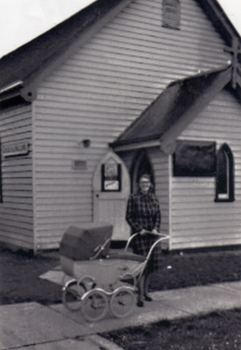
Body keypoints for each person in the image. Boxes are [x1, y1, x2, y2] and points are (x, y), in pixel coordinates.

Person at [126, 173, 161, 307]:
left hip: (152, 236)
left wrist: (155, 228)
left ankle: (146, 292)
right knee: (141, 266)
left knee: (151, 265)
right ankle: (139, 295)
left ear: (150, 184)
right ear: (138, 185)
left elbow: (157, 215)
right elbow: (129, 217)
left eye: (147, 183)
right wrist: (139, 229)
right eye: (142, 183)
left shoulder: (154, 198)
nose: (145, 185)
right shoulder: (133, 198)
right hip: (140, 236)